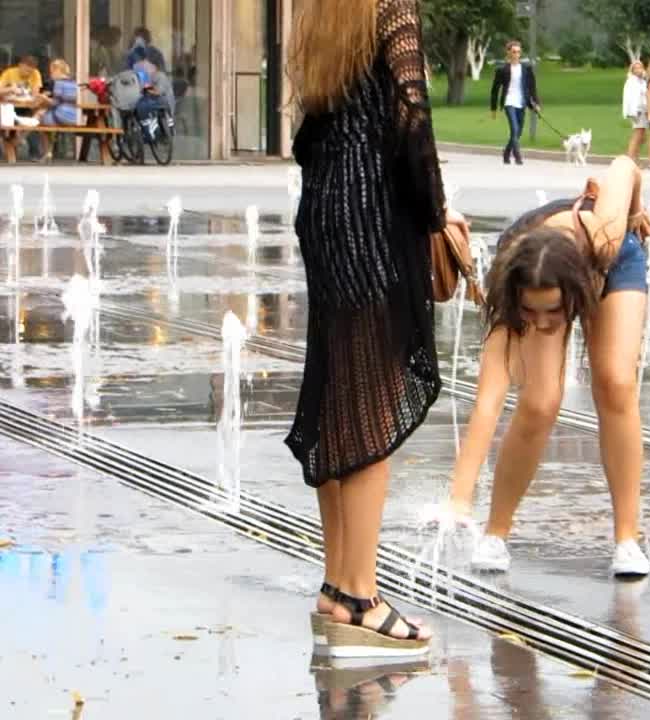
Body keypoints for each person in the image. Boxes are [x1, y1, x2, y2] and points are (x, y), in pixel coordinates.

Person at [287, 0, 464, 657]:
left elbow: (308, 135)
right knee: (372, 409)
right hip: (374, 220)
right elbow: (412, 119)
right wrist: (438, 214)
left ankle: (338, 586)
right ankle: (362, 597)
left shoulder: (321, 13)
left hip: (325, 213)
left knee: (341, 400)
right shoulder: (390, 6)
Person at [447, 155, 650, 578]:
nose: (543, 324)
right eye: (532, 312)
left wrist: (635, 213)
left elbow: (625, 165)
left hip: (612, 260)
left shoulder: (605, 236)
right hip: (536, 260)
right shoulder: (513, 279)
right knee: (540, 402)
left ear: (577, 294)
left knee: (616, 383)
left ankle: (627, 539)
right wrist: (458, 500)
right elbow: (488, 400)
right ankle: (495, 533)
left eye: (554, 313)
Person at [489, 40, 539, 166]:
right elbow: (495, 90)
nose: (516, 54)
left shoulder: (526, 69)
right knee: (514, 129)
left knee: (518, 132)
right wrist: (493, 109)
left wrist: (536, 103)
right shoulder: (502, 70)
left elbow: (532, 87)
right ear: (508, 53)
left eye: (518, 52)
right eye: (514, 52)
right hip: (509, 102)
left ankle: (506, 152)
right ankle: (518, 156)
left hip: (521, 102)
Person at [622, 60, 649, 160]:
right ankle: (630, 158)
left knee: (642, 136)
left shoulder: (642, 81)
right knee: (638, 134)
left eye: (640, 68)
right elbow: (630, 98)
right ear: (632, 70)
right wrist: (633, 111)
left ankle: (635, 157)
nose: (638, 70)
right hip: (637, 111)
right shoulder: (631, 81)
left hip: (644, 109)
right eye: (636, 68)